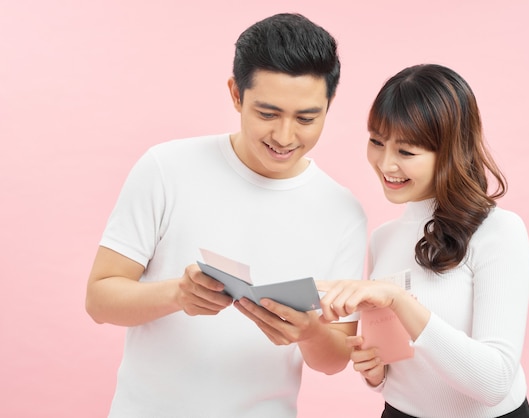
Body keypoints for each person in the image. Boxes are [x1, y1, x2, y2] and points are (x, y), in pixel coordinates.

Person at [85, 13, 367, 418]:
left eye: (307, 118)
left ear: (328, 105)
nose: (285, 137)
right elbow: (99, 299)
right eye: (267, 114)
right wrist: (177, 295)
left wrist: (309, 332)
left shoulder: (344, 212)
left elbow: (334, 358)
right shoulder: (166, 168)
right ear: (236, 94)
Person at [317, 64, 529, 417]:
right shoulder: (383, 238)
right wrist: (377, 374)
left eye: (406, 152)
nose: (386, 163)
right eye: (376, 142)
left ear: (449, 151)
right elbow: (405, 372)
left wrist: (400, 301)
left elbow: (494, 382)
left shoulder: (499, 231)